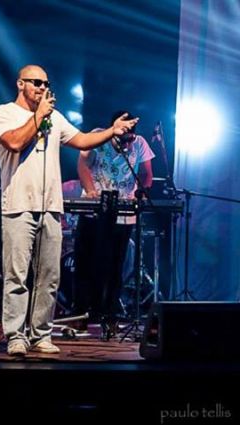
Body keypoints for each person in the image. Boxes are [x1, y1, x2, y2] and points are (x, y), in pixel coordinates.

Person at [0, 64, 138, 356]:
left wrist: (112, 131)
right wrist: (38, 116)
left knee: (49, 276)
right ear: (20, 83)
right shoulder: (4, 113)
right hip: (19, 205)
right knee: (17, 276)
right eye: (35, 82)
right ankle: (16, 335)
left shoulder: (54, 117)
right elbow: (14, 142)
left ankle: (41, 334)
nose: (42, 88)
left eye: (45, 83)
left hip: (50, 207)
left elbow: (81, 140)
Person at [74, 111, 154, 339]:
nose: (127, 145)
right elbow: (82, 164)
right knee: (86, 263)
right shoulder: (98, 136)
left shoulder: (140, 144)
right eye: (123, 139)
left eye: (130, 139)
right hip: (94, 210)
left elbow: (146, 174)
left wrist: (140, 193)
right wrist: (90, 190)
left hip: (123, 213)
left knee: (115, 267)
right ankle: (80, 315)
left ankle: (109, 316)